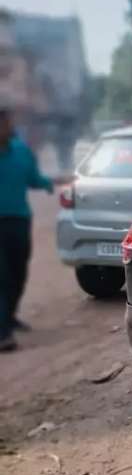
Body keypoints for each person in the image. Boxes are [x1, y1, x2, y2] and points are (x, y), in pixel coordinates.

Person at [0, 107, 53, 352]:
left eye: (9, 122)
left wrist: (50, 183)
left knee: (18, 274)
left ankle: (8, 316)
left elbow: (33, 178)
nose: (11, 127)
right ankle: (3, 334)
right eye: (6, 123)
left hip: (19, 221)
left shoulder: (21, 151)